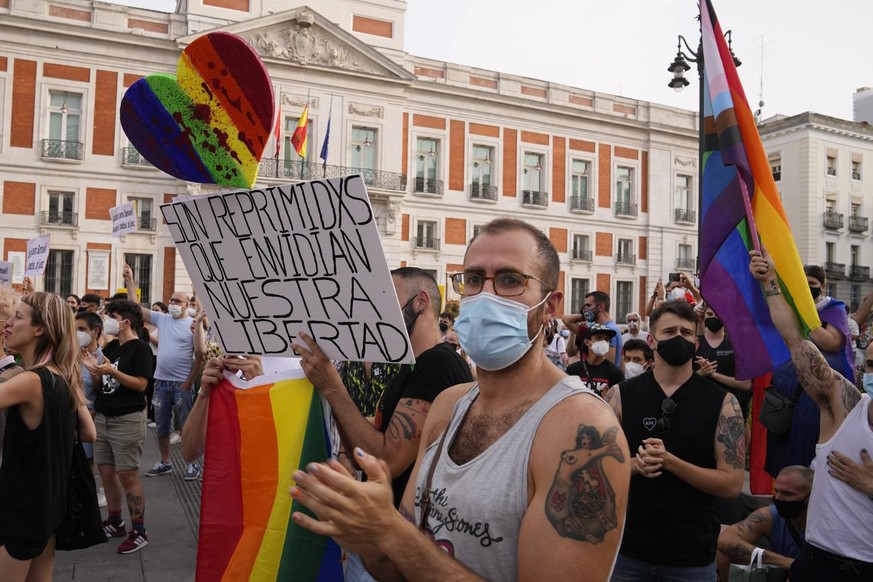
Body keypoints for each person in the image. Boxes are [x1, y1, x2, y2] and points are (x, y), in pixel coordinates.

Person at [290, 218, 630, 581]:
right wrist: (364, 529)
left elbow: (404, 540)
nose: (486, 295)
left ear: (550, 305)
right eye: (473, 279)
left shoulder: (579, 428)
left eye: (510, 280)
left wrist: (391, 531)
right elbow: (398, 569)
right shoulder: (448, 405)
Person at [293, 267, 473, 508]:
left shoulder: (439, 364)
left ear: (421, 301)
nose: (379, 310)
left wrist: (332, 387)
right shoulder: (408, 367)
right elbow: (365, 455)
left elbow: (388, 461)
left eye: (387, 298)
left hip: (406, 529)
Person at [750, 249, 873, 581]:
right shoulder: (846, 407)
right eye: (872, 364)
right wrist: (771, 282)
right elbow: (795, 338)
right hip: (817, 562)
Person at [605, 299, 745, 581]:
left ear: (696, 343)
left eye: (686, 332)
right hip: (627, 551)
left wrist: (670, 462)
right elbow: (595, 467)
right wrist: (635, 465)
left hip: (691, 557)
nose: (678, 338)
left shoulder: (724, 403)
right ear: (652, 341)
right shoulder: (620, 396)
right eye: (669, 332)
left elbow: (731, 484)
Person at [0, 292, 96, 581]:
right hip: (49, 508)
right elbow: (90, 432)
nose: (9, 323)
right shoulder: (61, 376)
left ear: (39, 329)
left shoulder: (30, 381)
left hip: (20, 511)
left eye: (18, 317)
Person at [765, 264, 855, 477]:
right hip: (788, 394)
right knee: (785, 446)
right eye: (803, 283)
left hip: (815, 395)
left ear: (822, 286)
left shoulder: (834, 309)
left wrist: (801, 320)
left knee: (810, 441)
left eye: (812, 284)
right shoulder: (788, 306)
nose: (808, 287)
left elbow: (832, 342)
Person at [82, 300, 153, 554]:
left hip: (127, 419)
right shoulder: (111, 346)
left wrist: (112, 371)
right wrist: (95, 372)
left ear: (125, 321)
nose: (106, 320)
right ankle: (115, 521)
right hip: (103, 416)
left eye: (110, 316)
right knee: (106, 471)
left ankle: (139, 530)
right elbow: (103, 384)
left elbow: (141, 384)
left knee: (128, 474)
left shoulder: (140, 349)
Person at [123, 264, 202, 479]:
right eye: (172, 300)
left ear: (187, 305)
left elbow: (200, 354)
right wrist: (130, 281)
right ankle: (165, 461)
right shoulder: (163, 319)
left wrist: (189, 382)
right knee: (162, 427)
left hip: (182, 384)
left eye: (178, 301)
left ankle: (191, 463)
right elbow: (136, 308)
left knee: (186, 426)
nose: (173, 304)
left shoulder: (194, 324)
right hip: (161, 382)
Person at [716, 465, 812, 580]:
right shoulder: (769, 516)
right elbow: (725, 540)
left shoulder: (828, 523)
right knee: (723, 533)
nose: (779, 498)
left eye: (788, 494)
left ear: (811, 496)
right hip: (787, 569)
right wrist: (786, 563)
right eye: (776, 491)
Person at [695, 304, 752, 447]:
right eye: (709, 315)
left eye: (717, 315)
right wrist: (701, 373)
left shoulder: (736, 344)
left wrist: (714, 375)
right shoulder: (694, 343)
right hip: (703, 404)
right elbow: (684, 378)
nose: (713, 318)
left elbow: (746, 384)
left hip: (734, 403)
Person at [565, 324, 624, 397]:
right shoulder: (573, 370)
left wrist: (609, 400)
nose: (603, 342)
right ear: (587, 342)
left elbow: (620, 401)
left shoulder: (615, 373)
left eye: (607, 339)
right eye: (598, 338)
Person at [565, 291, 622, 365]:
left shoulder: (610, 329)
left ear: (600, 307)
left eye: (588, 305)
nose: (585, 309)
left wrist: (585, 317)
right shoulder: (601, 327)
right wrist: (585, 317)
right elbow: (565, 319)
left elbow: (608, 364)